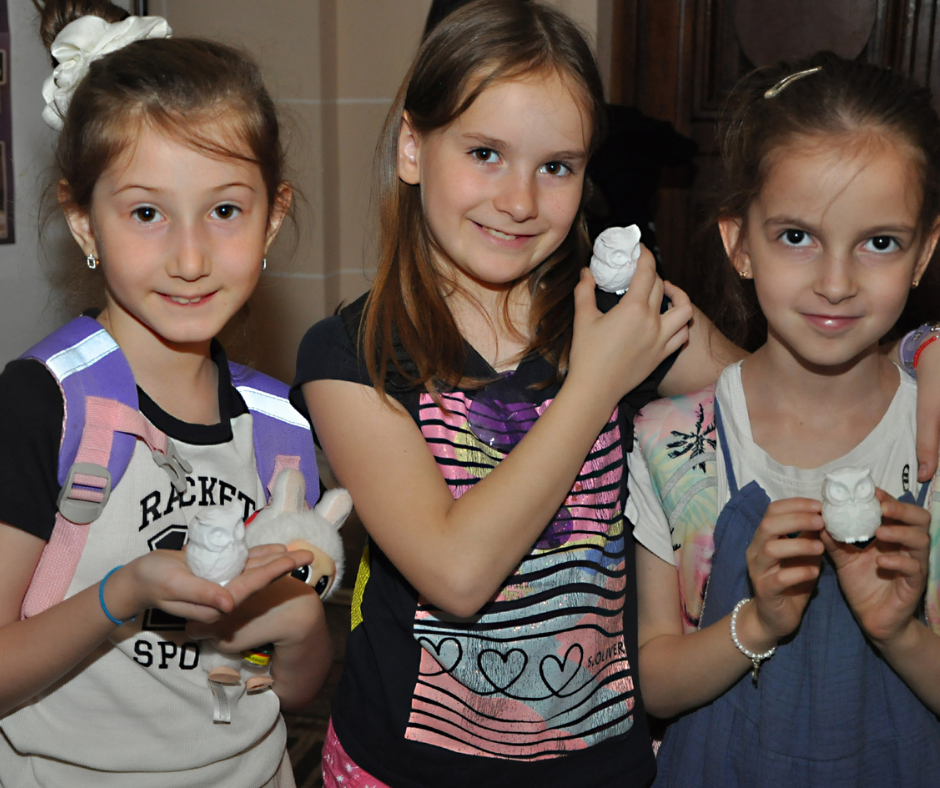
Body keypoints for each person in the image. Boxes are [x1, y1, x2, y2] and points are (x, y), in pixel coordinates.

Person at [290, 1, 762, 785]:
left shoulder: (617, 315)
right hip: (403, 770)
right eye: (485, 153)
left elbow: (778, 394)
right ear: (412, 147)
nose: (520, 201)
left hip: (598, 766)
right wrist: (598, 382)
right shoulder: (351, 353)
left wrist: (920, 359)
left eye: (557, 167)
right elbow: (457, 573)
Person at [0, 2, 332, 786]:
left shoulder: (284, 427)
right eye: (147, 212)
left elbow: (290, 690)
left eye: (225, 210)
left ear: (271, 219)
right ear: (85, 223)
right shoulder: (44, 404)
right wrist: (123, 593)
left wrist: (301, 627)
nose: (190, 257)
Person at [630, 51, 940, 787]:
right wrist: (758, 622)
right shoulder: (669, 443)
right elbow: (655, 683)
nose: (835, 283)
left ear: (924, 253)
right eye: (796, 236)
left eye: (880, 242)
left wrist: (899, 631)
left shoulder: (932, 439)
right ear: (739, 244)